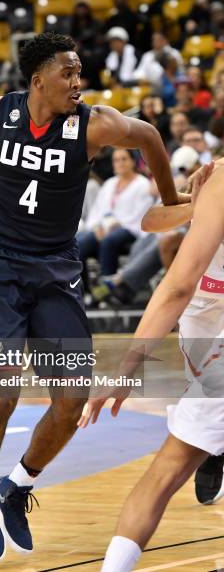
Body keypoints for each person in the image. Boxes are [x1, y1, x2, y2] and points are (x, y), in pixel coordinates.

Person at [0, 32, 187, 562]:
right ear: (39, 79)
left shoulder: (96, 123)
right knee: (2, 393)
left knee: (70, 401)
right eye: (68, 73)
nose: (78, 82)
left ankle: (17, 486)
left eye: (79, 72)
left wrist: (173, 202)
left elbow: (152, 136)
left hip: (55, 270)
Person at [78, 161, 224, 571]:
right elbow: (151, 220)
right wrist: (193, 199)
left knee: (168, 466)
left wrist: (126, 371)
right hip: (205, 316)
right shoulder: (213, 179)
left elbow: (176, 286)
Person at [77, 149, 154, 277]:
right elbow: (97, 210)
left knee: (109, 241)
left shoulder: (142, 184)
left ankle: (108, 286)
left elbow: (141, 214)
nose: (120, 163)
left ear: (133, 161)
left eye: (124, 159)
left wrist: (112, 227)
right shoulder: (109, 183)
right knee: (78, 242)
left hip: (129, 228)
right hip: (104, 228)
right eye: (116, 160)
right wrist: (96, 227)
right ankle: (82, 288)